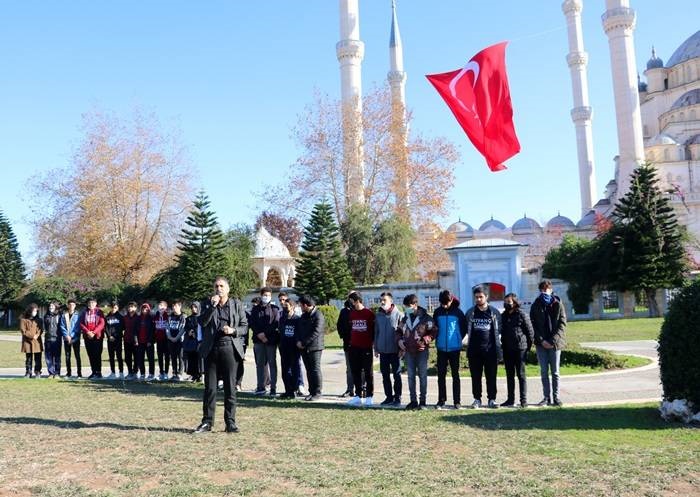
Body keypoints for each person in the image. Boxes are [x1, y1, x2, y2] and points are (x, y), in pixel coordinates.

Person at [194, 277, 248, 434]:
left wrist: (233, 330)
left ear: (228, 289)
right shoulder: (207, 304)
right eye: (216, 286)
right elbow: (202, 322)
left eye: (222, 286)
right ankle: (207, 422)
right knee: (210, 389)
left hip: (229, 348)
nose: (219, 288)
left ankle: (230, 422)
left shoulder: (236, 304)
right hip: (211, 349)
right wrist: (212, 307)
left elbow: (244, 327)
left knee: (230, 388)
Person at [530, 279, 567, 407]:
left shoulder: (558, 303)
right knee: (544, 372)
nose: (544, 292)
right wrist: (541, 340)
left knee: (555, 372)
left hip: (555, 344)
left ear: (551, 290)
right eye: (542, 289)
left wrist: (552, 341)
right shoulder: (536, 304)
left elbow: (562, 324)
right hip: (541, 344)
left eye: (546, 289)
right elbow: (532, 325)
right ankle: (546, 397)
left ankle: (556, 397)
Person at [464, 287, 502, 409]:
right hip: (474, 351)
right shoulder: (470, 312)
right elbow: (465, 329)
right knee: (476, 377)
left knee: (491, 377)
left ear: (486, 297)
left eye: (481, 297)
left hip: (491, 351)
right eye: (476, 297)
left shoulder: (494, 312)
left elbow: (499, 330)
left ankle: (492, 399)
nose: (478, 299)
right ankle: (477, 399)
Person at [397, 294, 435, 410]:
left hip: (421, 352)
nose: (406, 309)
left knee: (422, 376)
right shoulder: (405, 317)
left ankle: (422, 402)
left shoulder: (426, 318)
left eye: (408, 306)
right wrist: (399, 341)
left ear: (415, 305)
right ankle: (413, 401)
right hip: (408, 352)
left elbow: (434, 331)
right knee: (410, 377)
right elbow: (398, 331)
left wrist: (425, 340)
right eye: (405, 307)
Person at [432, 290, 467, 409]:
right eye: (442, 303)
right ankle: (441, 400)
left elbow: (463, 329)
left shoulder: (458, 312)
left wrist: (457, 339)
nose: (444, 305)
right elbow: (434, 328)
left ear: (451, 300)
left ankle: (457, 401)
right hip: (441, 348)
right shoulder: (437, 312)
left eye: (446, 303)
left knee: (455, 375)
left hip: (455, 349)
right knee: (441, 375)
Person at [500, 293, 534, 408]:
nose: (506, 304)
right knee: (509, 375)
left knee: (521, 374)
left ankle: (523, 400)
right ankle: (510, 399)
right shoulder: (503, 315)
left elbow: (530, 333)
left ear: (515, 303)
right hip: (507, 349)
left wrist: (527, 348)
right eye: (505, 302)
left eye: (509, 302)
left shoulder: (522, 314)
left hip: (520, 349)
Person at [345, 291, 375, 407]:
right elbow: (349, 329)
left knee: (368, 372)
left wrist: (372, 344)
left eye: (352, 301)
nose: (350, 304)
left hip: (366, 347)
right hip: (354, 347)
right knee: (355, 371)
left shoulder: (369, 314)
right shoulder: (351, 314)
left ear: (357, 301)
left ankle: (369, 396)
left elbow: (373, 330)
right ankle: (358, 395)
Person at [249, 287, 280, 396]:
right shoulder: (255, 309)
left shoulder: (275, 309)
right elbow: (252, 323)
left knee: (272, 364)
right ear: (261, 295)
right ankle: (260, 387)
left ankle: (273, 388)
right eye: (264, 295)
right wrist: (260, 334)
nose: (266, 297)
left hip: (271, 340)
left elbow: (275, 324)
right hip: (258, 340)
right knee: (260, 364)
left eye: (268, 295)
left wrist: (266, 335)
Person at [375, 292, 403, 406]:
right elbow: (376, 332)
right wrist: (376, 347)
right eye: (381, 300)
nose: (382, 302)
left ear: (391, 301)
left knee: (397, 375)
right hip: (383, 351)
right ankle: (388, 397)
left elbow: (402, 333)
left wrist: (402, 348)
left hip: (395, 351)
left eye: (384, 300)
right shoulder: (378, 315)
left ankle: (397, 398)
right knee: (385, 375)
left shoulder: (399, 315)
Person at [296, 294, 325, 401]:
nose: (300, 308)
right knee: (308, 370)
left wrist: (303, 342)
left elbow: (316, 332)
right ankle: (311, 391)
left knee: (315, 370)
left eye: (301, 305)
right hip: (303, 347)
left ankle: (317, 392)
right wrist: (298, 341)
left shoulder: (318, 315)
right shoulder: (304, 316)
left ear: (306, 305)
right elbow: (298, 329)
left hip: (315, 347)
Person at [278, 296, 302, 399]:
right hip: (284, 348)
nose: (284, 307)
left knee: (295, 370)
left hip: (294, 349)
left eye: (286, 305)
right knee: (285, 371)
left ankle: (294, 390)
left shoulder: (297, 319)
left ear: (292, 306)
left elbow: (300, 333)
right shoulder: (282, 319)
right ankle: (287, 390)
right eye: (284, 305)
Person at [80, 297, 105, 379]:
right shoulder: (84, 312)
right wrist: (87, 332)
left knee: (97, 354)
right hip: (87, 336)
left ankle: (98, 372)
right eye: (89, 303)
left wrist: (94, 332)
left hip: (97, 336)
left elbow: (102, 323)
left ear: (96, 303)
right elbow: (81, 323)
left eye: (93, 303)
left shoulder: (99, 312)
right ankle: (93, 371)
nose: (91, 304)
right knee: (90, 354)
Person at [336, 296, 355, 397]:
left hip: (359, 344)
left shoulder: (360, 310)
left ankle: (361, 389)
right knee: (349, 368)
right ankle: (350, 389)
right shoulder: (344, 311)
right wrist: (343, 335)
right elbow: (339, 325)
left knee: (361, 369)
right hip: (347, 343)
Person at [59, 299, 82, 378]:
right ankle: (69, 373)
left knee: (77, 356)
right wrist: (66, 335)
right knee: (67, 356)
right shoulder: (64, 315)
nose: (71, 306)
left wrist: (71, 336)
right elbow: (62, 326)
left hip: (75, 338)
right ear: (68, 305)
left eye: (73, 305)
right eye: (70, 304)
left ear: (75, 306)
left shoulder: (78, 315)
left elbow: (78, 327)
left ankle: (79, 373)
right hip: (66, 339)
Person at [20, 303, 43, 378]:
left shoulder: (39, 320)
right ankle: (28, 372)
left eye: (36, 311)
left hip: (37, 342)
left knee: (38, 358)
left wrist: (37, 335)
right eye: (34, 311)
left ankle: (38, 372)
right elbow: (23, 331)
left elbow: (41, 329)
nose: (35, 313)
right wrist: (32, 336)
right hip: (27, 342)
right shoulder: (23, 320)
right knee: (28, 359)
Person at [104, 301, 125, 379]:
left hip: (118, 339)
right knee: (111, 356)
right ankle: (112, 372)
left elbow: (122, 328)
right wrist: (109, 336)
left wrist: (116, 336)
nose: (113, 309)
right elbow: (105, 328)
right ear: (110, 307)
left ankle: (121, 372)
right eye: (112, 307)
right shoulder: (107, 317)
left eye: (115, 307)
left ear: (118, 308)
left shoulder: (121, 317)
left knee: (119, 356)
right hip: (110, 340)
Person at [135, 302, 155, 381]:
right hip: (140, 342)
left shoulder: (151, 318)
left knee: (151, 359)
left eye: (146, 308)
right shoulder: (138, 318)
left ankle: (151, 374)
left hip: (149, 342)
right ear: (141, 309)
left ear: (149, 309)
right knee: (140, 359)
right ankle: (142, 374)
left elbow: (153, 331)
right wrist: (136, 340)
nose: (145, 310)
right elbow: (135, 331)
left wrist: (150, 341)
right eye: (143, 308)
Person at [167, 300, 186, 381]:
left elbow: (183, 329)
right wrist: (170, 337)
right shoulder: (170, 317)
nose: (174, 308)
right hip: (171, 340)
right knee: (173, 357)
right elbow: (167, 328)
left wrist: (176, 338)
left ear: (180, 307)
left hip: (180, 341)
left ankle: (180, 374)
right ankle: (174, 373)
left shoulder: (183, 317)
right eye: (173, 306)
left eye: (176, 306)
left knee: (180, 357)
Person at [183, 302, 202, 382]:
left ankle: (200, 375)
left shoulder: (201, 317)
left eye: (195, 307)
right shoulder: (189, 318)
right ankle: (193, 375)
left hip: (199, 341)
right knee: (191, 359)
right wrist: (189, 332)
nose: (194, 309)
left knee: (199, 359)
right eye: (192, 307)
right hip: (191, 342)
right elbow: (186, 328)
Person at [43, 302, 62, 378]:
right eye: (50, 306)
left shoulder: (59, 316)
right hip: (48, 339)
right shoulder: (46, 316)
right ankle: (51, 373)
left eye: (52, 306)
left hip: (57, 339)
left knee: (57, 357)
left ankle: (57, 373)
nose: (51, 307)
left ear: (56, 307)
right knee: (48, 357)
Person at [122, 302, 139, 380]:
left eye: (132, 307)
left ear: (135, 308)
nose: (130, 308)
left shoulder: (138, 317)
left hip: (136, 341)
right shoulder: (125, 317)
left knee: (136, 357)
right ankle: (130, 372)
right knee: (127, 357)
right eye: (129, 307)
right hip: (127, 340)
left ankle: (135, 372)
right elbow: (122, 327)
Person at [153, 301, 170, 380]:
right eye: (159, 305)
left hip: (166, 339)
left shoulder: (168, 316)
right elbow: (154, 327)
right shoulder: (155, 316)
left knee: (166, 357)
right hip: (158, 339)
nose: (160, 307)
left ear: (166, 307)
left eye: (162, 306)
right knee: (160, 357)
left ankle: (166, 373)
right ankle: (161, 373)